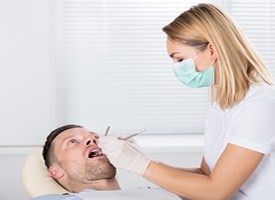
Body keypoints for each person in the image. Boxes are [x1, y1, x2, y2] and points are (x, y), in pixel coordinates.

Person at [99, 3, 275, 200]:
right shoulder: (221, 103)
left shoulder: (259, 106)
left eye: (180, 60)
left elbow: (215, 190)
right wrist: (142, 160)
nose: (176, 68)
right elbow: (206, 175)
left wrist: (140, 165)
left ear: (212, 50)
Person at [34, 124, 182, 200]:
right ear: (56, 171)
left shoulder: (163, 193)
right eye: (72, 142)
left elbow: (205, 185)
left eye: (94, 136)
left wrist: (145, 163)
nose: (91, 139)